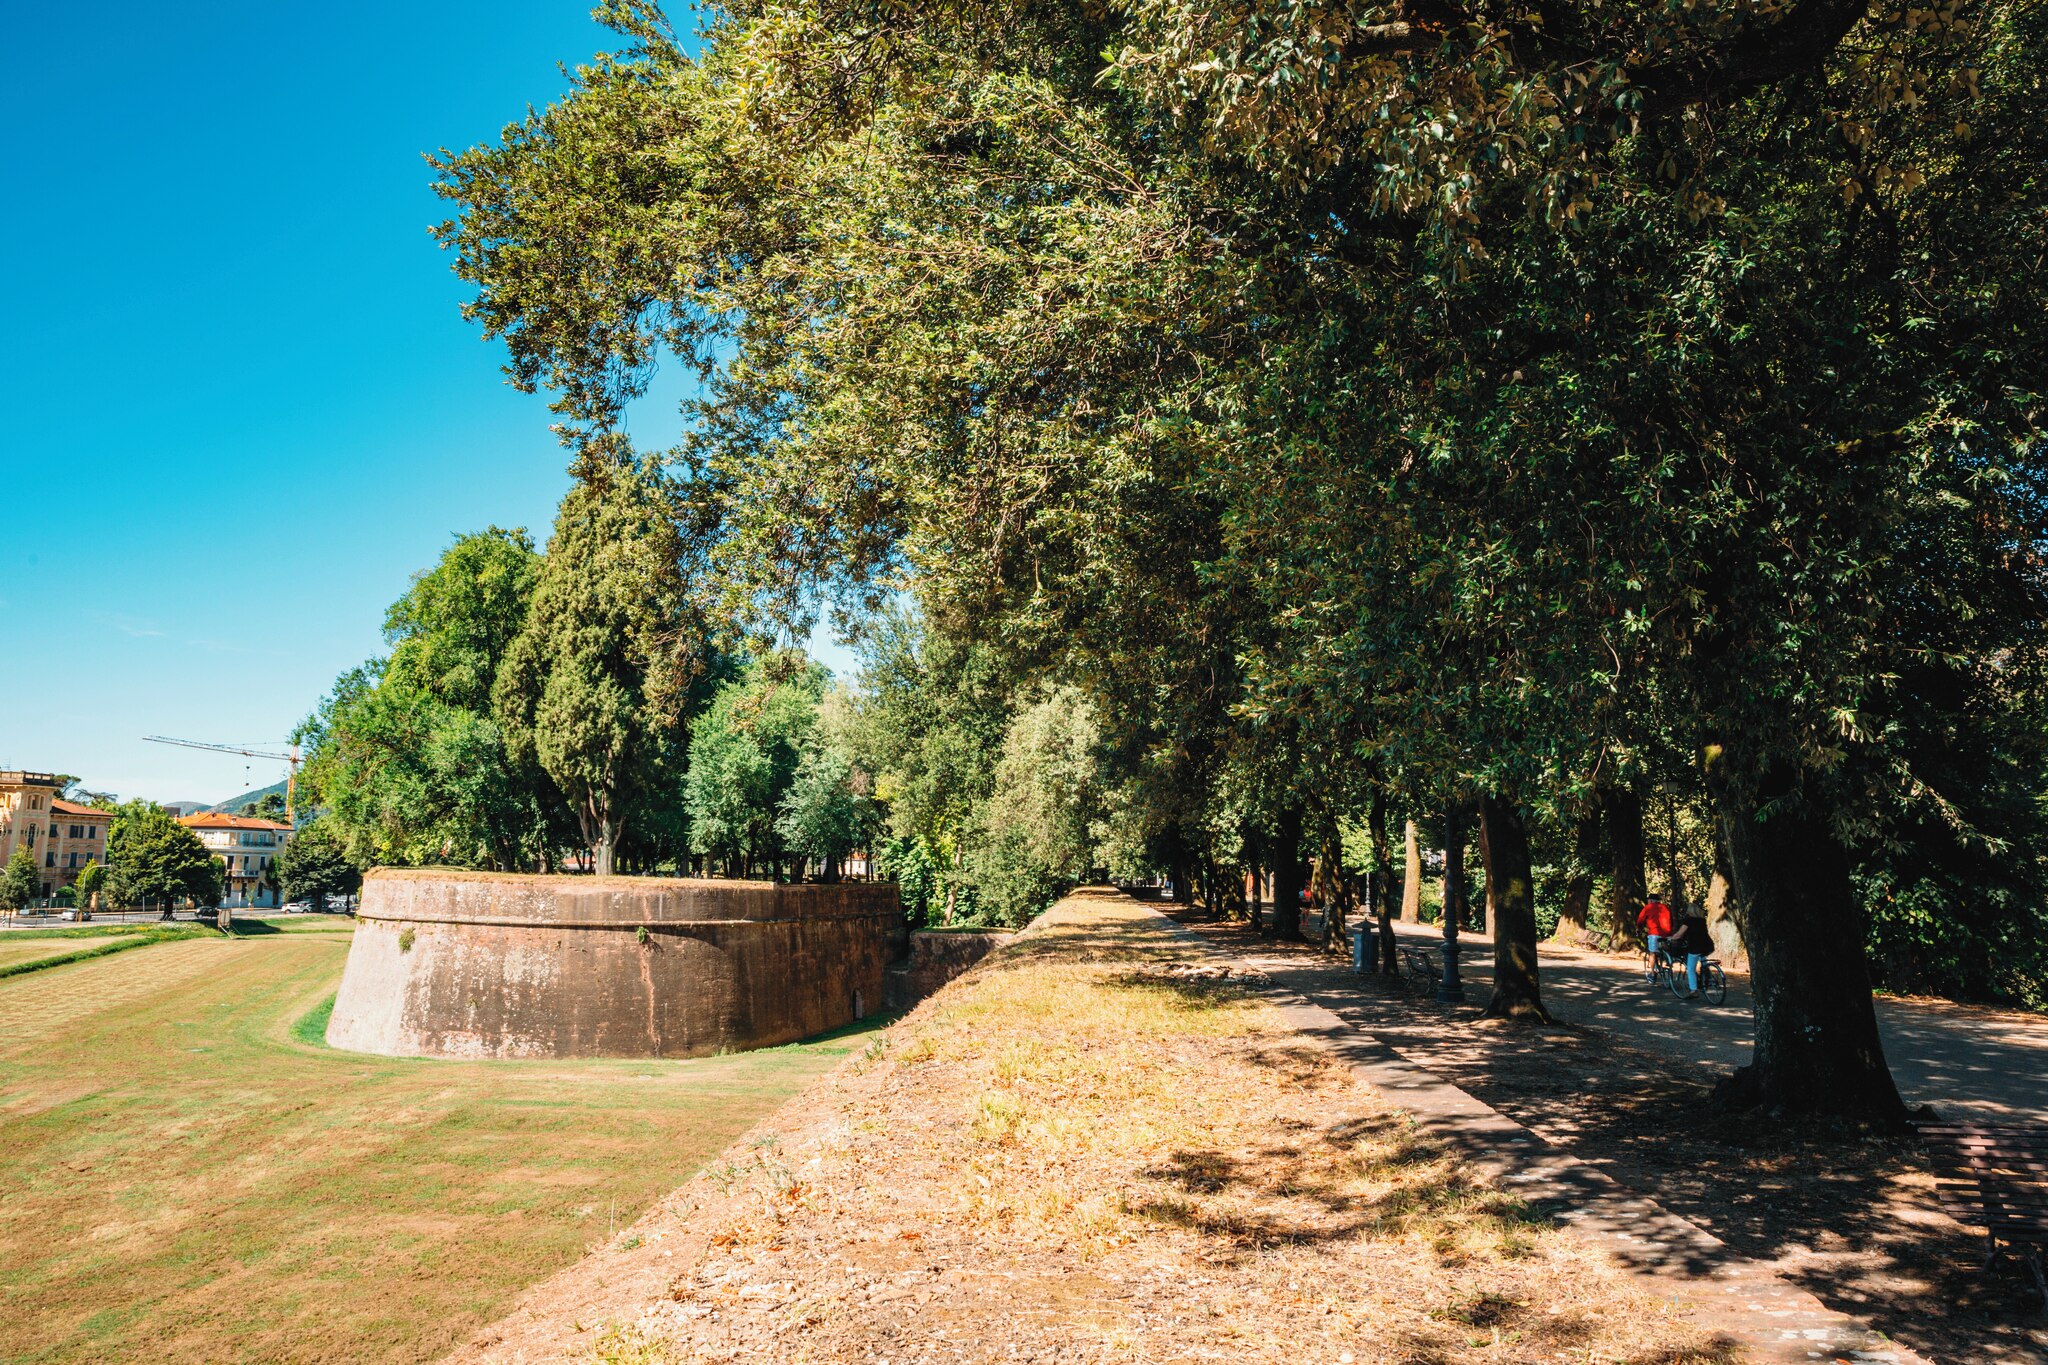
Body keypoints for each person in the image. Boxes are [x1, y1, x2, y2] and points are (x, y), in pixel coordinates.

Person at [1670, 911, 1716, 996]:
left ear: (1689, 912)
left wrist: (1671, 938)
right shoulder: (1702, 920)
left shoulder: (1689, 921)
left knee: (1691, 968)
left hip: (1696, 947)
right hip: (1707, 945)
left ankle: (1694, 990)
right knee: (1703, 960)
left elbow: (1679, 934)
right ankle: (1708, 977)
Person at [1636, 895, 1675, 978]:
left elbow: (1640, 920)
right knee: (1665, 948)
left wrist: (1639, 929)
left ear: (1650, 900)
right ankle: (1668, 960)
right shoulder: (1665, 907)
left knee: (1652, 953)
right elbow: (1671, 921)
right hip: (1667, 933)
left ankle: (1653, 974)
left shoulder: (1648, 908)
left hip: (1654, 933)